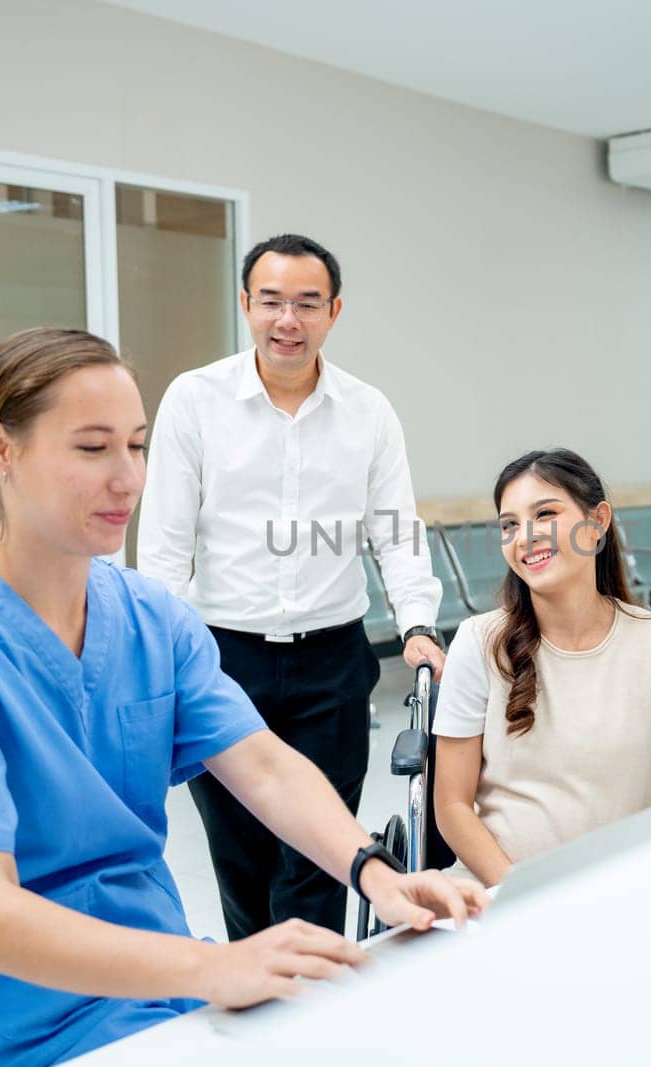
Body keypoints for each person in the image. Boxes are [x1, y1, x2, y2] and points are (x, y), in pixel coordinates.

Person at [0, 327, 483, 1067]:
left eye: (138, 446)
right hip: (2, 1021)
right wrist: (213, 967)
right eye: (92, 448)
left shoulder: (150, 621)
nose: (127, 479)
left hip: (152, 988)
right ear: (0, 447)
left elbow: (266, 767)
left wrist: (377, 871)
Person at [137, 233, 445, 939]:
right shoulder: (196, 400)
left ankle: (312, 1010)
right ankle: (260, 1000)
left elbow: (396, 532)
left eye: (308, 303)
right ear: (245, 305)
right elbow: (163, 548)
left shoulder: (369, 411)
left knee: (315, 859)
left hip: (330, 665)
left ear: (334, 311)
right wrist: (155, 655)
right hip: (221, 661)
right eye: (271, 301)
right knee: (239, 859)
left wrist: (419, 625)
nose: (288, 320)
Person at [431, 448, 651, 887]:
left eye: (545, 513)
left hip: (622, 890)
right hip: (498, 891)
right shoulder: (478, 643)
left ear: (597, 522)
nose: (524, 537)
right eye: (509, 525)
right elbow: (452, 807)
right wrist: (522, 894)